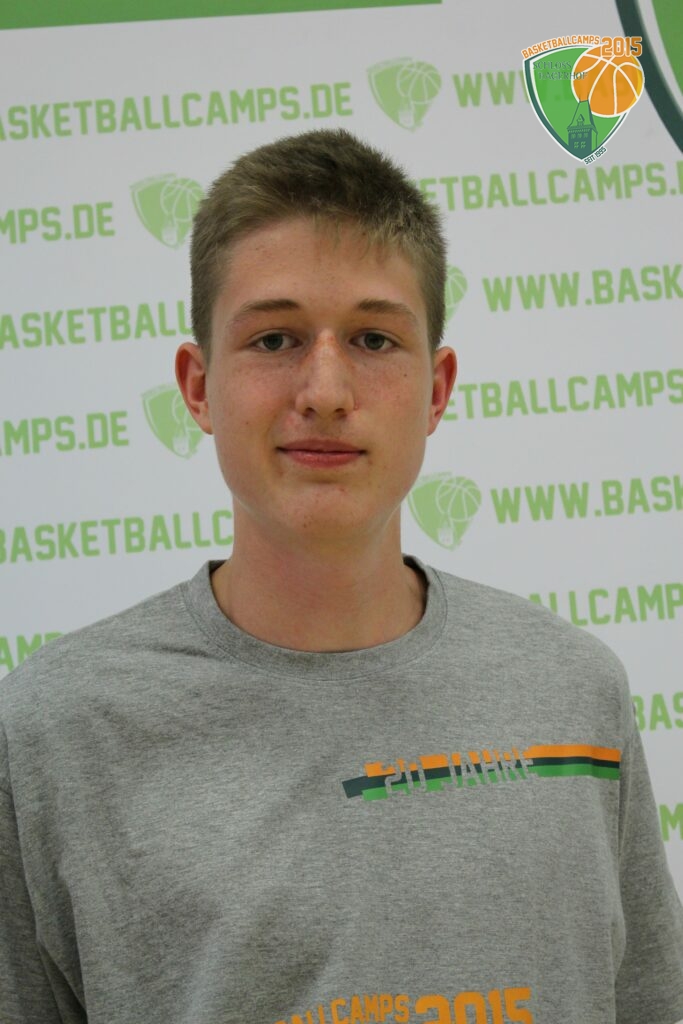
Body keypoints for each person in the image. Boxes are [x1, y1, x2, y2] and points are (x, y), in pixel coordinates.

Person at [1, 128, 682, 1024]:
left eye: (371, 338)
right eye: (274, 338)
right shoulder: (55, 734)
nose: (323, 389)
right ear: (197, 387)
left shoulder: (571, 692)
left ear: (436, 390)